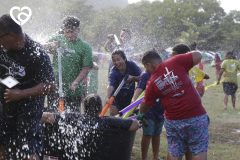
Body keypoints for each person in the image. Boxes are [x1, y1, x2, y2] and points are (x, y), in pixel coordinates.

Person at [0, 14, 56, 160]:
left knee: (28, 148)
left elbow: (50, 86)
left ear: (11, 35)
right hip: (4, 104)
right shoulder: (2, 46)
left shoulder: (36, 52)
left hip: (29, 107)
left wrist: (20, 93)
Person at [137, 46, 209, 160]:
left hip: (173, 120)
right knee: (199, 149)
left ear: (149, 65)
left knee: (175, 151)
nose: (146, 70)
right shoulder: (175, 61)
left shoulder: (152, 82)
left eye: (145, 67)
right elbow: (198, 55)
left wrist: (141, 113)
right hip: (195, 115)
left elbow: (146, 104)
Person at [43, 16, 93, 112]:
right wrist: (49, 45)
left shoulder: (85, 46)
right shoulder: (58, 39)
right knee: (52, 119)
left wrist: (76, 82)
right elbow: (40, 48)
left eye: (72, 31)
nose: (69, 35)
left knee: (72, 121)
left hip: (73, 92)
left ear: (78, 30)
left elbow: (86, 68)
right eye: (66, 31)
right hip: (55, 89)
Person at [131, 69, 165, 160]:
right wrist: (134, 99)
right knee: (148, 134)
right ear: (149, 65)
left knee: (157, 134)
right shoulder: (145, 75)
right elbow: (139, 88)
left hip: (161, 109)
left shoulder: (164, 73)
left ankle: (155, 156)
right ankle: (144, 158)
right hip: (147, 110)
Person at [106, 50, 141, 116]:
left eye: (118, 59)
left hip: (130, 98)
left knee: (128, 121)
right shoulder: (113, 72)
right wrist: (107, 97)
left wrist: (132, 78)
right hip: (116, 99)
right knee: (114, 119)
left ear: (124, 59)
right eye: (114, 60)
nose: (116, 62)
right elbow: (110, 86)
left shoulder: (131, 65)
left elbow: (142, 78)